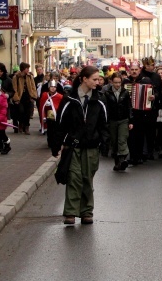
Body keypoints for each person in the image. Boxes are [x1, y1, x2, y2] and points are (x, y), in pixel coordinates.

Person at [53, 66, 110, 225]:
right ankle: (70, 212)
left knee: (87, 179)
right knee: (74, 178)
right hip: (73, 146)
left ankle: (86, 212)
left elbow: (104, 125)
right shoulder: (69, 99)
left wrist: (105, 144)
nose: (98, 82)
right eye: (94, 79)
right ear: (84, 79)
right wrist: (57, 145)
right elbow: (60, 123)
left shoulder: (99, 99)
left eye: (98, 79)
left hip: (91, 147)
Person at [104, 73, 133, 171]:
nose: (117, 85)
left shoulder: (125, 92)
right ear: (111, 82)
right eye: (115, 82)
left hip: (123, 120)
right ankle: (117, 162)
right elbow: (106, 108)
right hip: (112, 120)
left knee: (122, 139)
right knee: (114, 141)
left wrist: (130, 121)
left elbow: (129, 107)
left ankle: (122, 160)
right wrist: (106, 121)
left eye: (119, 83)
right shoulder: (107, 93)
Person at [12, 62, 38, 134]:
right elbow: (14, 89)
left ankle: (26, 127)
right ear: (23, 69)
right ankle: (21, 124)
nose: (28, 70)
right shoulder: (16, 77)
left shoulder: (30, 77)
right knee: (21, 111)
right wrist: (16, 99)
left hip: (28, 97)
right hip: (20, 97)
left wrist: (33, 96)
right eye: (27, 68)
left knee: (27, 113)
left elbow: (33, 87)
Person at [39, 80, 64, 149]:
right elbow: (41, 106)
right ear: (49, 87)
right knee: (50, 130)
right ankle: (50, 142)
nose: (53, 88)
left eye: (54, 87)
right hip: (48, 116)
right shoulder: (44, 95)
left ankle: (55, 142)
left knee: (55, 130)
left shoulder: (60, 96)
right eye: (51, 87)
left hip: (56, 117)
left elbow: (61, 106)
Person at [0, 86, 10, 154]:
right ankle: (0, 147)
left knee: (2, 134)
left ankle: (7, 146)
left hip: (1, 120)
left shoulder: (2, 97)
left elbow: (3, 110)